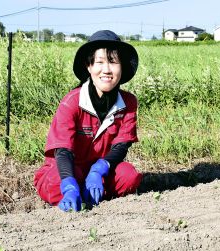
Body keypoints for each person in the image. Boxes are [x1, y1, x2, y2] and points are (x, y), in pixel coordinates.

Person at [34, 30, 144, 212]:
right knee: (56, 182)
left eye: (113, 62)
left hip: (101, 171)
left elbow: (121, 147)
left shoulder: (128, 103)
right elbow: (62, 151)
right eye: (100, 62)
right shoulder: (71, 102)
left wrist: (99, 169)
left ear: (122, 67)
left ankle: (93, 192)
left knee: (129, 176)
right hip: (69, 168)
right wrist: (69, 184)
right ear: (89, 66)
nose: (107, 70)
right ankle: (76, 191)